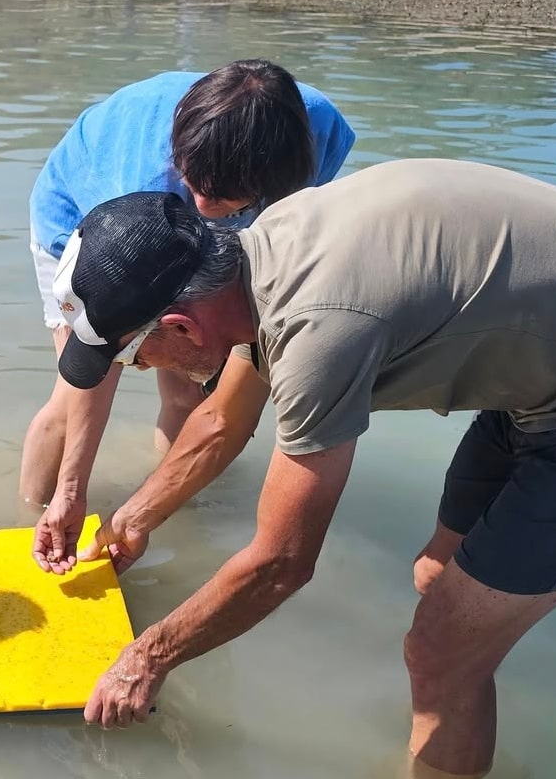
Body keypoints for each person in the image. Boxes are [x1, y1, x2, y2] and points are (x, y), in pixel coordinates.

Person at [36, 157, 556, 779]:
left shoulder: (317, 329)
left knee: (437, 648)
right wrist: (131, 520)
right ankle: (462, 717)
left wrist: (146, 656)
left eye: (134, 359)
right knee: (437, 576)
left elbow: (280, 563)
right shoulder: (264, 252)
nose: (145, 372)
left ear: (182, 326)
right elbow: (222, 421)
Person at [19, 59, 357, 555]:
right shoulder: (143, 179)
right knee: (72, 401)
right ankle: (37, 515)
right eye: (193, 184)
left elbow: (286, 250)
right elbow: (99, 356)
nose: (200, 206)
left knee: (188, 390)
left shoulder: (318, 133)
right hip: (89, 226)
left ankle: (178, 518)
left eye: (219, 198)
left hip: (206, 238)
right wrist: (74, 490)